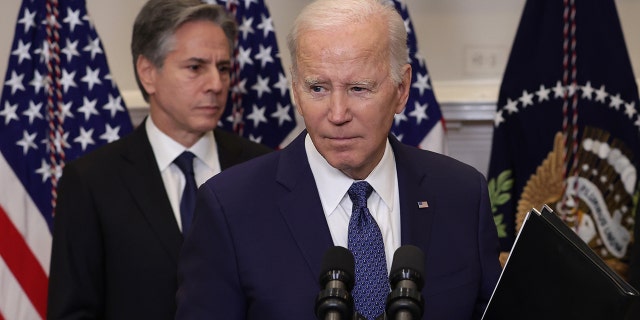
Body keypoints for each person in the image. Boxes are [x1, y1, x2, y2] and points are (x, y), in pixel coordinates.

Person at [176, 0, 501, 319]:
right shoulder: (230, 207)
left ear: (402, 89)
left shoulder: (461, 194)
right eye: (317, 88)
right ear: (294, 89)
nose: (337, 114)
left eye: (359, 88)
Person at [47, 0, 271, 319]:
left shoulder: (260, 168)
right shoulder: (92, 181)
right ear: (148, 73)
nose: (217, 84)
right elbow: (73, 312)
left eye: (222, 68)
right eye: (195, 67)